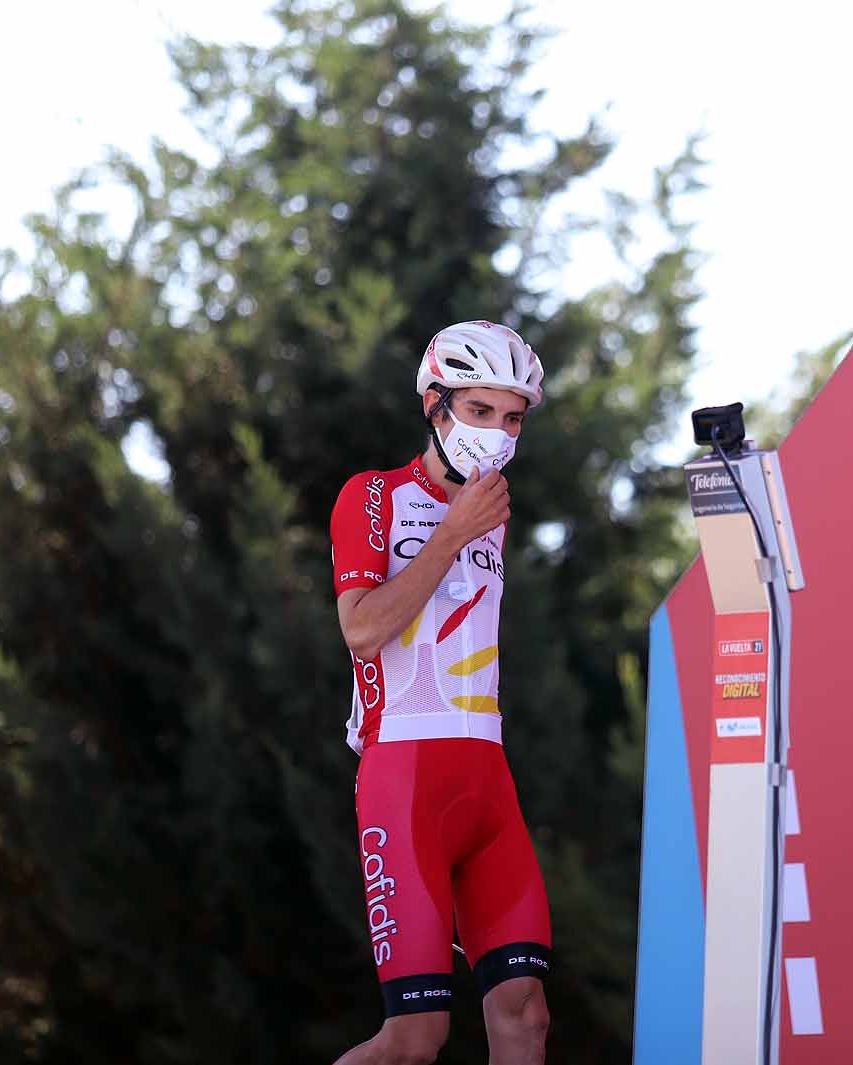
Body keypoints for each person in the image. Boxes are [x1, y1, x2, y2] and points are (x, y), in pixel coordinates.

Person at [327, 321, 552, 1065]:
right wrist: (452, 532)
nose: (498, 432)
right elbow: (362, 631)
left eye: (513, 417)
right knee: (414, 1039)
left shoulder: (490, 512)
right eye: (480, 411)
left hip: (486, 774)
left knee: (524, 1015)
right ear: (435, 403)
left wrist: (465, 525)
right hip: (406, 775)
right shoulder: (374, 496)